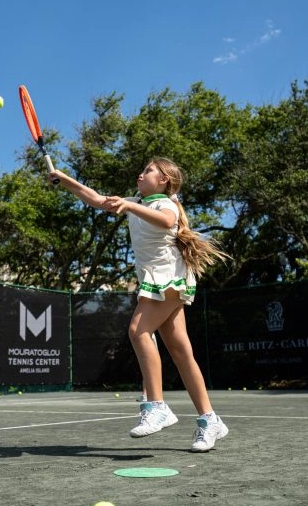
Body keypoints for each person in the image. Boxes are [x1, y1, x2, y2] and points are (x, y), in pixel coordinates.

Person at [50, 157, 230, 452]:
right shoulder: (136, 201)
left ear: (163, 181)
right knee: (181, 352)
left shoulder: (166, 204)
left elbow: (167, 222)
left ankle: (156, 405)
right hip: (164, 282)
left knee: (138, 331)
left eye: (148, 170)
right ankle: (210, 420)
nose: (140, 173)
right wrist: (64, 179)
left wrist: (131, 206)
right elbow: (95, 199)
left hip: (168, 280)